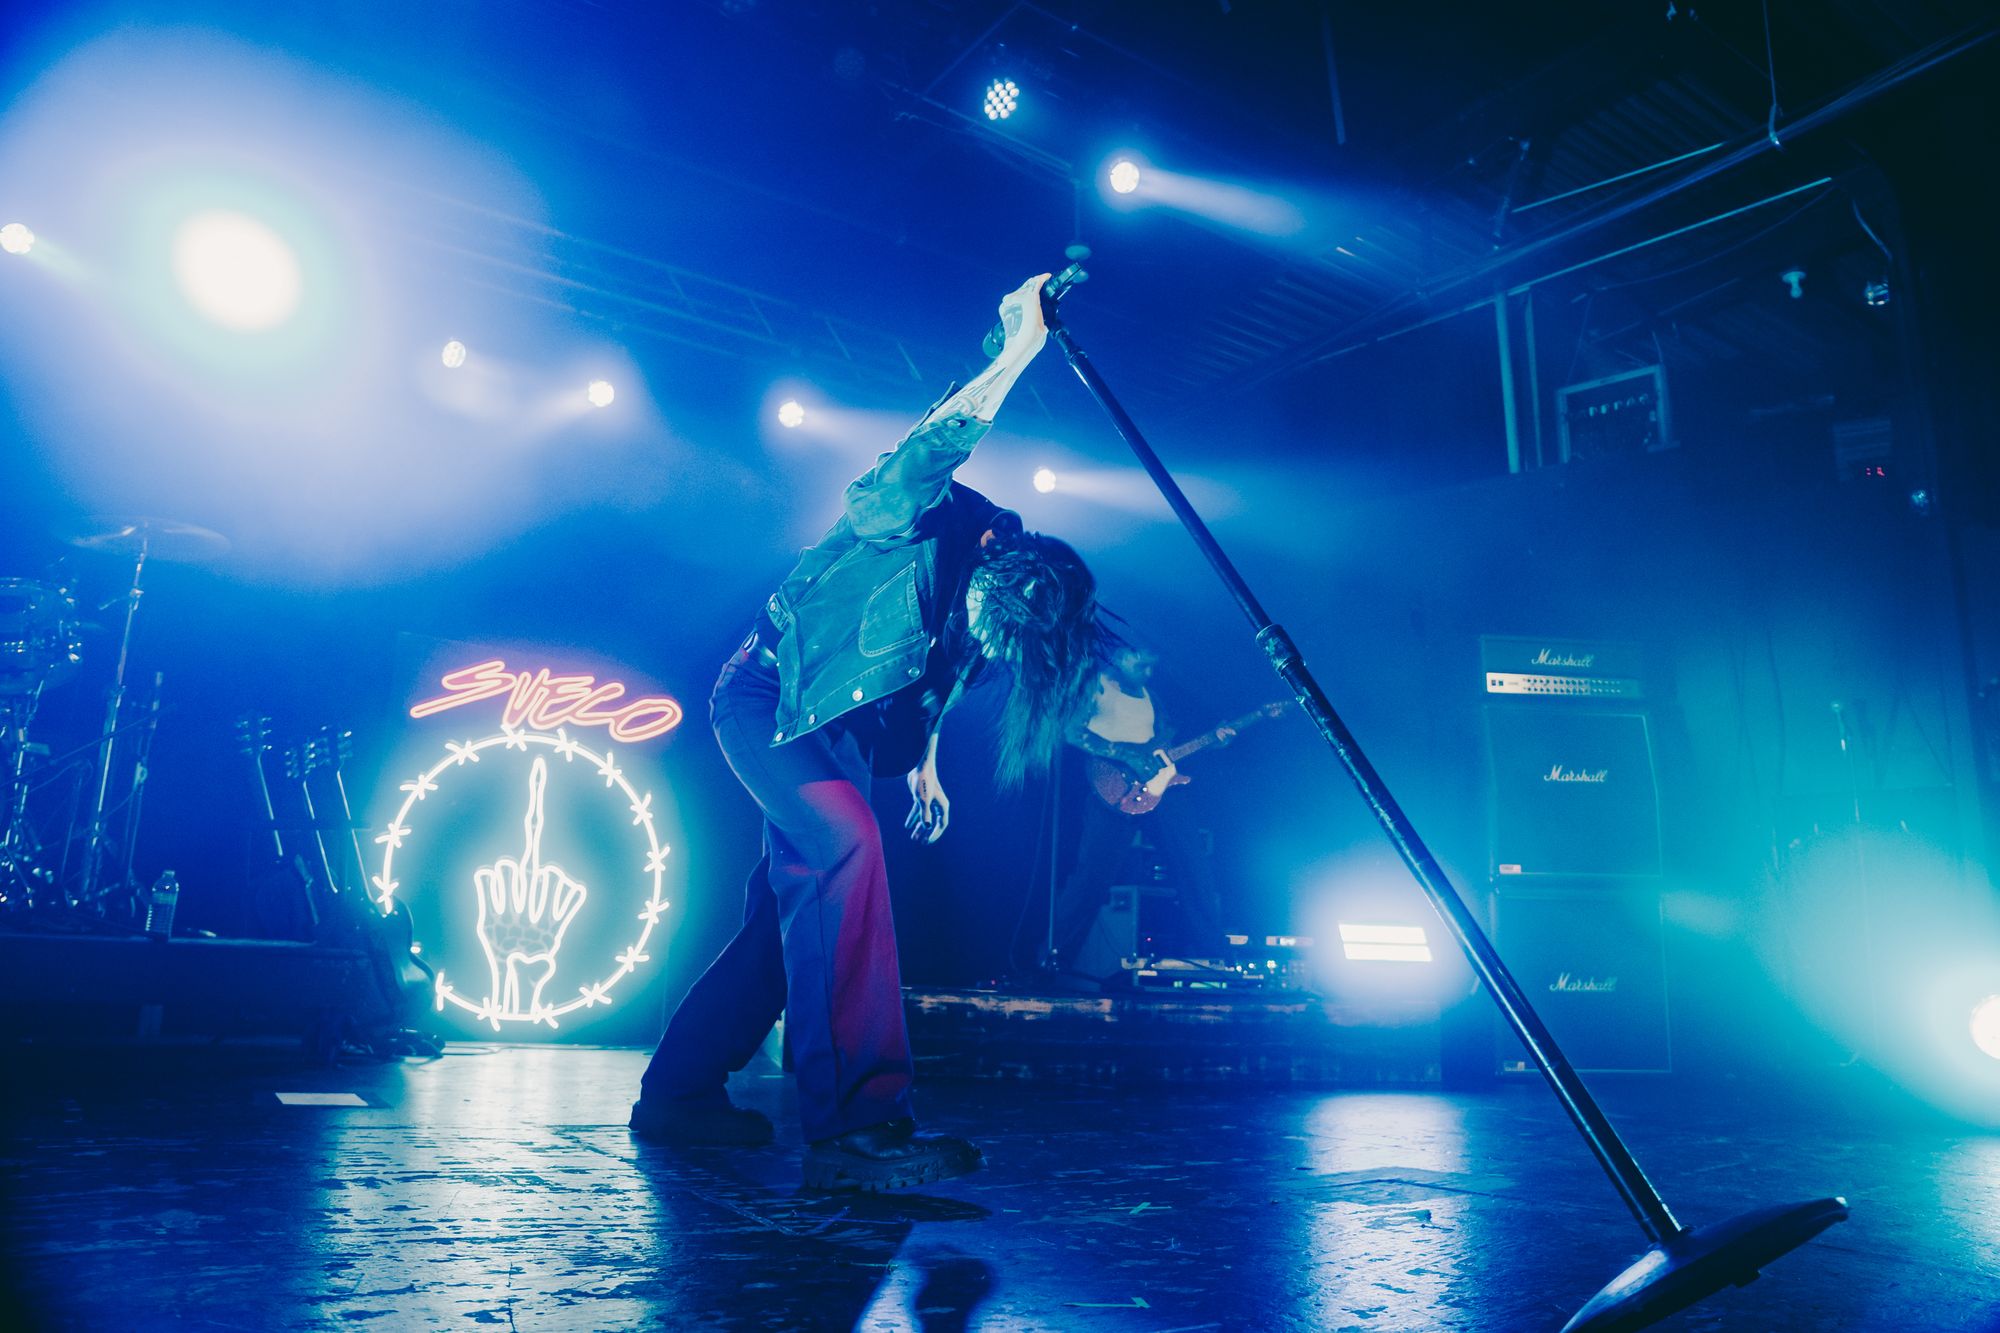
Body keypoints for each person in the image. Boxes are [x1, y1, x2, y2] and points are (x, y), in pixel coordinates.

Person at [631, 274, 1103, 1192]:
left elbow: (949, 668)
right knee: (846, 848)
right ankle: (857, 1125)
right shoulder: (913, 511)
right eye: (992, 626)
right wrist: (1017, 350)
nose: (990, 647)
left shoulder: (996, 599)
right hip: (769, 699)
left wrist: (926, 762)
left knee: (789, 919)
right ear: (992, 557)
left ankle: (677, 1091)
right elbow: (932, 443)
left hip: (839, 732)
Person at [1054, 641, 1226, 973]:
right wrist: (1126, 755)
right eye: (1141, 665)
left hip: (1162, 787)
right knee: (1091, 879)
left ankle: (1218, 960)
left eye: (1152, 667)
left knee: (1194, 869)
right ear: (1120, 657)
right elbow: (1072, 732)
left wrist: (1213, 741)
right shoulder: (1095, 686)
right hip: (1111, 786)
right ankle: (1051, 961)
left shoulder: (1151, 696)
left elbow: (1166, 744)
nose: (1148, 672)